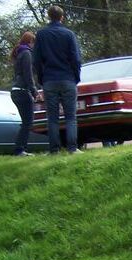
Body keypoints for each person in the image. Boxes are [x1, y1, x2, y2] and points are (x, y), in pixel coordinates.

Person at [33, 4, 82, 154]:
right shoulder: (68, 34)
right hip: (67, 78)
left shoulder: (41, 35)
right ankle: (72, 148)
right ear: (62, 17)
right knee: (70, 117)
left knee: (52, 118)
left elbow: (36, 60)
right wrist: (76, 76)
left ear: (49, 16)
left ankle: (54, 150)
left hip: (49, 79)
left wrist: (42, 78)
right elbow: (75, 58)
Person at [10, 31, 38, 157]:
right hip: (22, 91)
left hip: (16, 90)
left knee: (26, 121)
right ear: (31, 42)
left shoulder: (19, 53)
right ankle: (20, 149)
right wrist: (35, 91)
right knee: (28, 122)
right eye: (34, 43)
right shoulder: (27, 53)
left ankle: (21, 148)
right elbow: (28, 75)